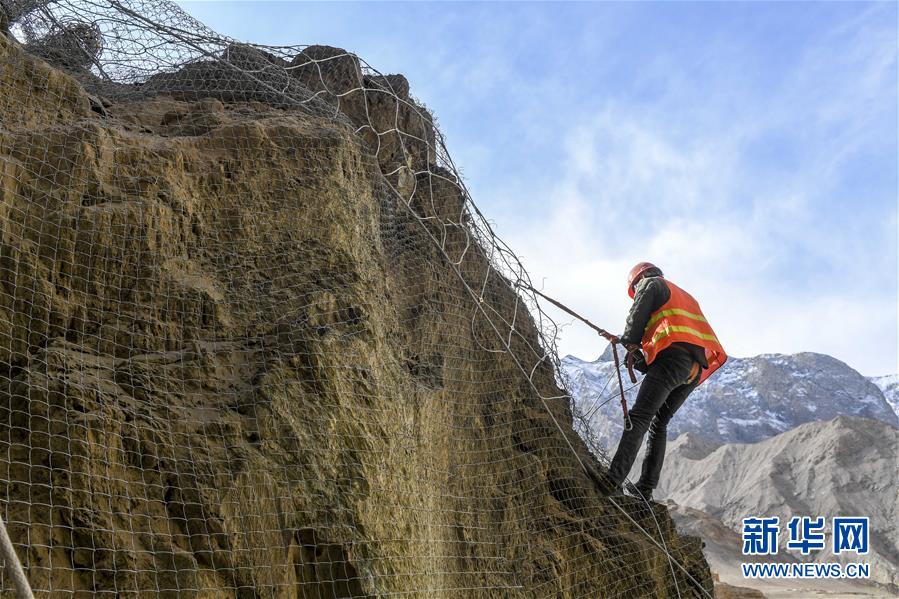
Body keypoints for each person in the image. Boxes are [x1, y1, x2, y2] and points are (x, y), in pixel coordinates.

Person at [600, 262, 727, 501]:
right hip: (692, 370)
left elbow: (637, 315)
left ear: (638, 280)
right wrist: (642, 358)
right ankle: (645, 488)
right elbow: (671, 336)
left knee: (639, 417)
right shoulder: (685, 297)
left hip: (673, 361)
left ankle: (612, 480)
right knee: (659, 423)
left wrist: (628, 341)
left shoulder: (650, 284)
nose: (636, 293)